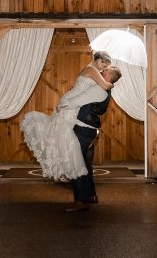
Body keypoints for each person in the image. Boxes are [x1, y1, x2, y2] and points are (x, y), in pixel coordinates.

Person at [20, 51, 114, 181]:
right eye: (104, 66)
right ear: (99, 60)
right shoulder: (93, 70)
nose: (104, 69)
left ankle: (65, 170)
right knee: (66, 136)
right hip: (70, 105)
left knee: (62, 136)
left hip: (69, 101)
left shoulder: (87, 68)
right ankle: (67, 170)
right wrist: (112, 84)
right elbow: (105, 85)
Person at [65, 65, 122, 212]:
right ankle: (90, 195)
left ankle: (80, 201)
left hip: (83, 128)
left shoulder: (99, 89)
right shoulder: (104, 89)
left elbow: (78, 101)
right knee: (85, 163)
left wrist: (64, 102)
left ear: (109, 77)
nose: (101, 71)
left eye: (105, 71)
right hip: (89, 128)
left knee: (76, 163)